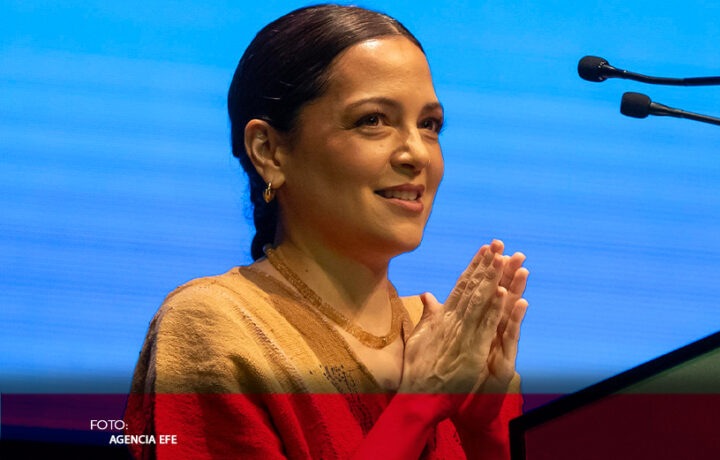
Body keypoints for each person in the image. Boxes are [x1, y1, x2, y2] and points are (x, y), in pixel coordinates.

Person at [123, 5, 529, 459]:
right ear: (269, 151)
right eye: (372, 120)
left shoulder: (441, 342)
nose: (417, 154)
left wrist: (488, 428)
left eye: (429, 125)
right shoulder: (215, 323)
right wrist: (416, 406)